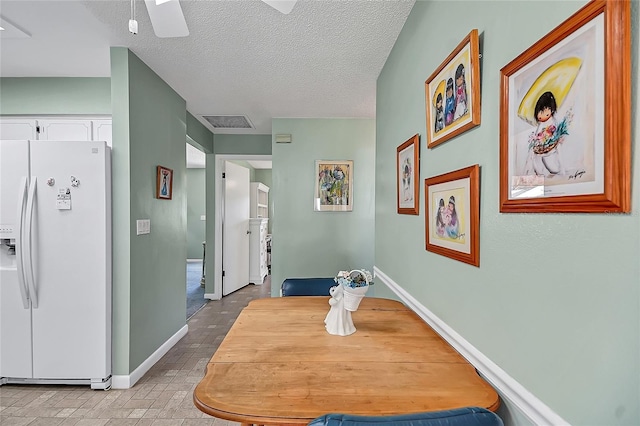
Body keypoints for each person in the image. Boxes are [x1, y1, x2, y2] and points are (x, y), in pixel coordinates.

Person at [525, 91, 564, 176]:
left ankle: (548, 172)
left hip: (550, 148)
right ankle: (539, 173)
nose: (540, 115)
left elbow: (556, 134)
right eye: (539, 112)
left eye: (543, 112)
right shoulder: (541, 124)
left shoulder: (553, 122)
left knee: (553, 167)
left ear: (551, 110)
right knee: (534, 158)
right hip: (541, 147)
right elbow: (538, 134)